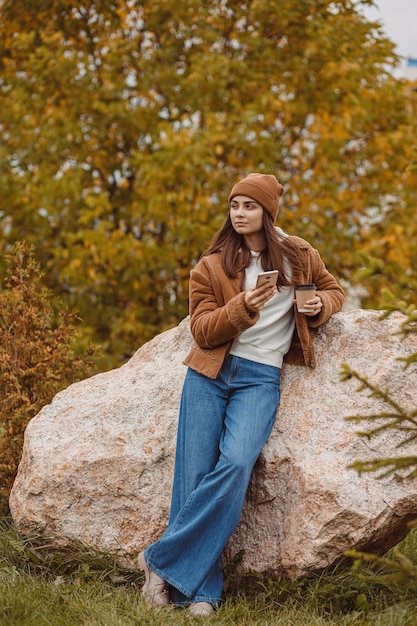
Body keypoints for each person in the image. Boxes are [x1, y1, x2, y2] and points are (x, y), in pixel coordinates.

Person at [138, 173, 345, 617]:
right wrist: (243, 307)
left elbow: (333, 290)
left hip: (260, 378)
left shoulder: (299, 255)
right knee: (193, 478)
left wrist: (318, 307)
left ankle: (158, 562)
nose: (239, 213)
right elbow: (202, 329)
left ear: (267, 212)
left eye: (248, 205)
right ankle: (201, 593)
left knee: (234, 466)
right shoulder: (211, 265)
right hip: (208, 375)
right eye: (234, 205)